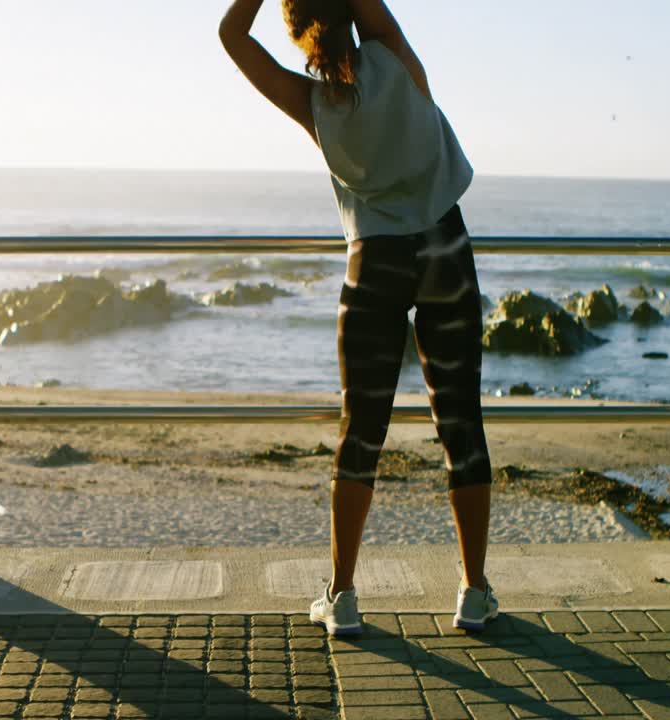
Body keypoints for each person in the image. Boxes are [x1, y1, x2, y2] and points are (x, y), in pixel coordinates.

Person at [220, 0, 497, 633]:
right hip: (443, 247)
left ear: (296, 29)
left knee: (361, 433)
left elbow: (230, 34)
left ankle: (342, 597)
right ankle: (474, 592)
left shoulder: (311, 103)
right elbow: (372, 14)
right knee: (461, 424)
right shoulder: (396, 55)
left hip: (373, 260)